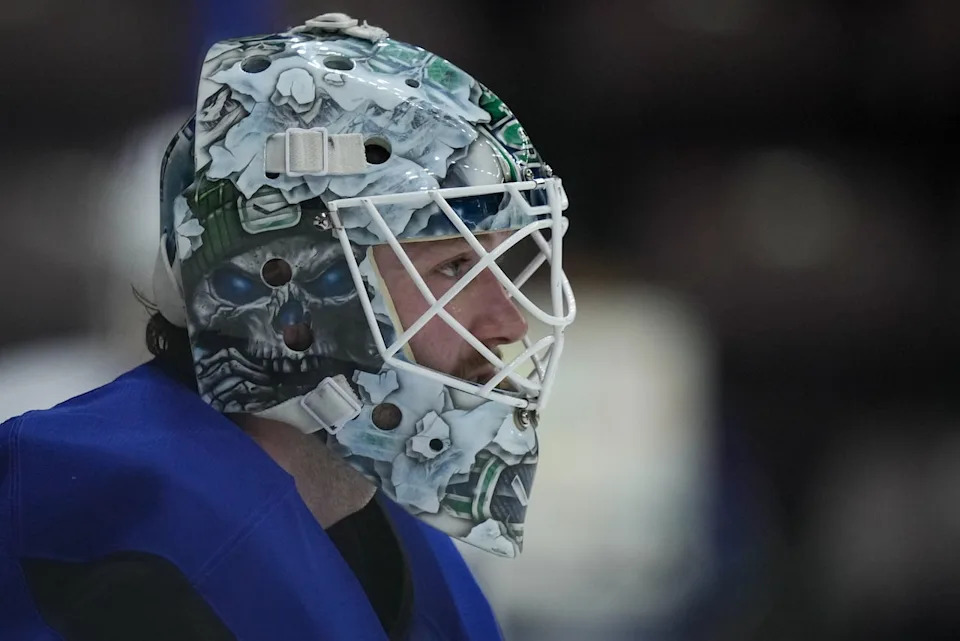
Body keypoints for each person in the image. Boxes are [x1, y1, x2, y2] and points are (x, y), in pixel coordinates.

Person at [0, 12, 575, 640]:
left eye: (499, 262)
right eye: (455, 266)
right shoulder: (120, 541)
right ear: (289, 290)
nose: (507, 319)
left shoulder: (388, 536)